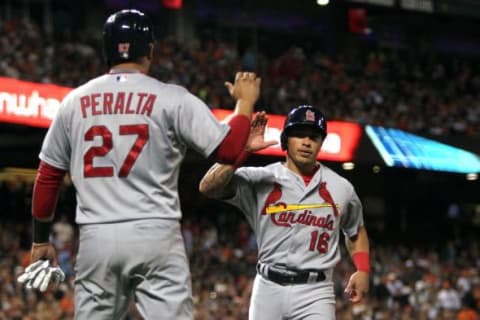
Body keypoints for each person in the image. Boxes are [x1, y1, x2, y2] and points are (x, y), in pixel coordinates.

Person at [19, 8, 261, 320]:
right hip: (155, 232)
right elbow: (228, 149)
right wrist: (244, 103)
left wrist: (40, 240)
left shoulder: (73, 101)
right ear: (150, 50)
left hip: (97, 235)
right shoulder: (170, 97)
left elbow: (48, 176)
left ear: (106, 50)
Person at [199, 106, 370, 319]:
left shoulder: (341, 187)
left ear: (321, 143)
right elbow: (208, 188)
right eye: (299, 134)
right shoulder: (261, 178)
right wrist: (243, 150)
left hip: (315, 292)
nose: (306, 142)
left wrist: (362, 268)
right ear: (285, 139)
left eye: (314, 137)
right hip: (268, 288)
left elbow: (356, 231)